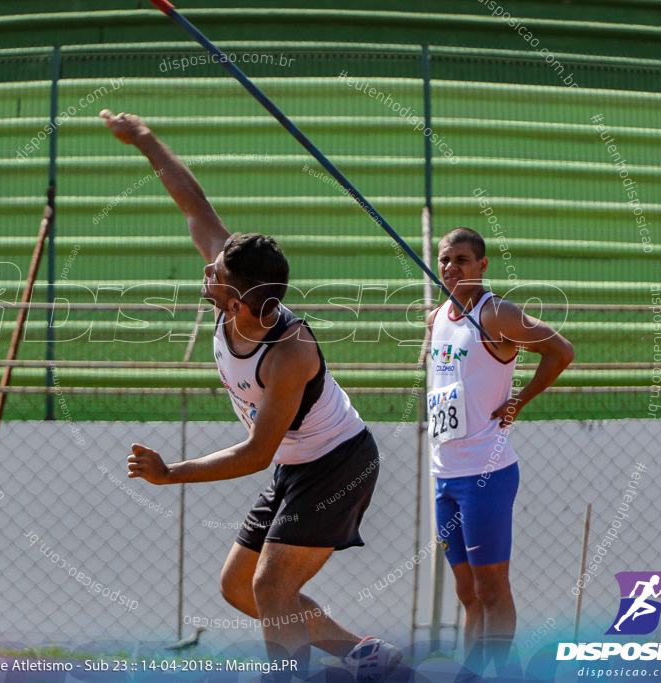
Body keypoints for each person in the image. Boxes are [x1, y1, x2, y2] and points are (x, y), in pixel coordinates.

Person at [100, 108, 401, 682]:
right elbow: (195, 206)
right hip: (297, 465)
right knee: (240, 586)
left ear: (238, 301)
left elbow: (256, 453)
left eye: (215, 275)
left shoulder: (288, 353)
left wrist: (172, 473)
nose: (206, 272)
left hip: (338, 463)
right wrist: (144, 140)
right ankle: (367, 657)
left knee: (271, 584)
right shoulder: (239, 287)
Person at [425, 227, 574, 675]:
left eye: (462, 261)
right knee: (467, 593)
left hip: (485, 474)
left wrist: (519, 400)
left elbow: (561, 351)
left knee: (492, 590)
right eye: (446, 260)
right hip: (444, 474)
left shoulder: (498, 315)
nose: (452, 268)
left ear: (483, 265)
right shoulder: (435, 319)